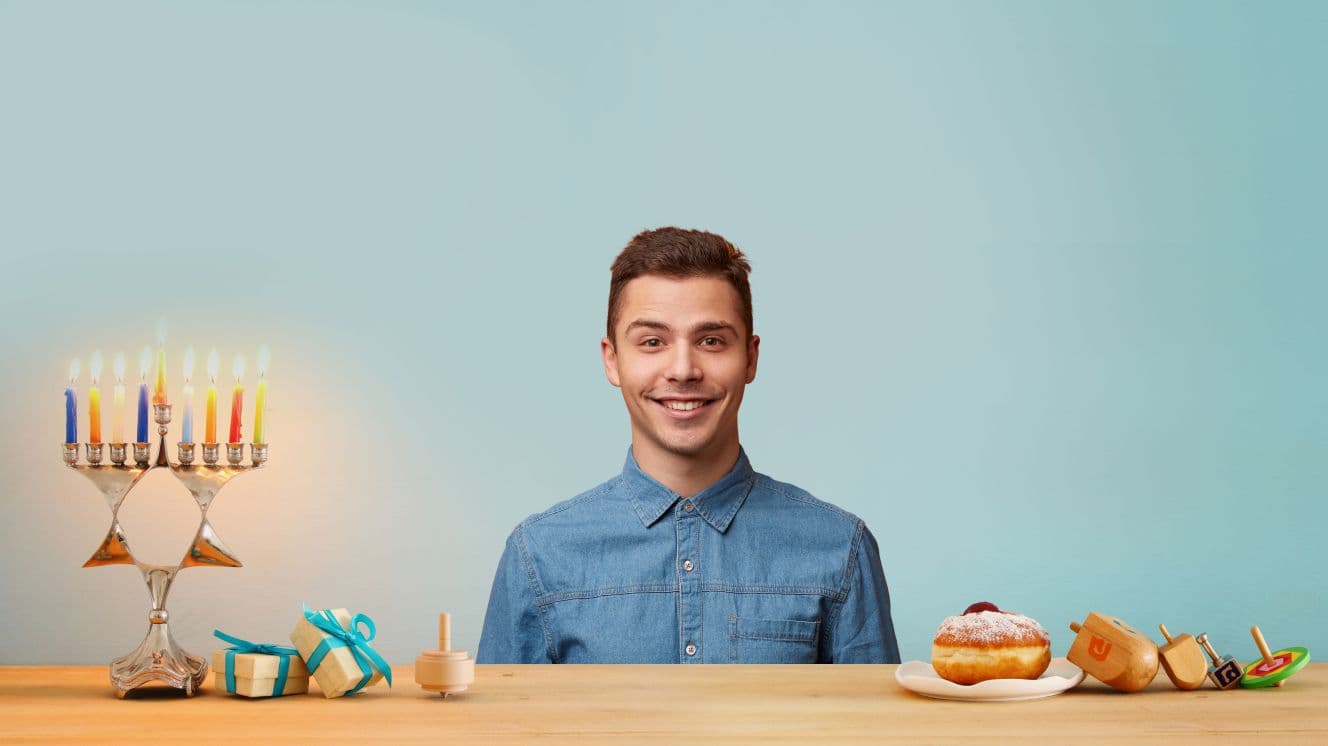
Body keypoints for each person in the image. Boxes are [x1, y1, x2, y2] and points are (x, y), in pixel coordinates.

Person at [476, 227, 899, 663]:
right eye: (653, 342)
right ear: (612, 359)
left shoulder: (840, 548)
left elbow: (879, 732)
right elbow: (496, 731)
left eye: (711, 341)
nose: (682, 370)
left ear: (750, 359)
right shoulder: (538, 556)